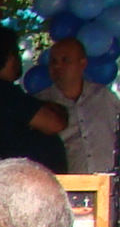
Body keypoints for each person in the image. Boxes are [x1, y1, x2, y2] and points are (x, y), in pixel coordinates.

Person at [0, 23, 69, 170]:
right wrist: (53, 111)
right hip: (22, 183)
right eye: (17, 52)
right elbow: (54, 123)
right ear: (8, 57)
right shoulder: (0, 93)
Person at [46, 34, 117, 179]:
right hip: (65, 188)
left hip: (107, 185)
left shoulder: (103, 96)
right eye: (54, 61)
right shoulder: (42, 103)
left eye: (65, 61)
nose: (58, 66)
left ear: (82, 63)